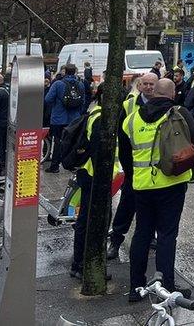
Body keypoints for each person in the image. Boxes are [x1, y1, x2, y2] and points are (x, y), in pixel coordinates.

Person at [120, 78, 194, 302]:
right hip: (172, 184)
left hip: (142, 185)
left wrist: (135, 176)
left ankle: (135, 287)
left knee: (142, 235)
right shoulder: (179, 113)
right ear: (173, 94)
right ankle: (166, 286)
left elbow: (124, 156)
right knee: (167, 235)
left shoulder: (131, 119)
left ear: (152, 93)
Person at [108, 73, 158, 260]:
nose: (148, 87)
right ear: (139, 85)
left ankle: (151, 237)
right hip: (134, 167)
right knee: (126, 206)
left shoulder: (162, 104)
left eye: (152, 84)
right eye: (145, 84)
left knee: (152, 206)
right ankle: (116, 240)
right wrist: (128, 169)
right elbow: (122, 137)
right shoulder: (129, 105)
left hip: (153, 169)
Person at [70, 89, 118, 279]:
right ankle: (82, 264)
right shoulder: (100, 118)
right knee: (91, 219)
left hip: (91, 173)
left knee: (89, 218)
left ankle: (81, 263)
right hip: (94, 174)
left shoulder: (96, 114)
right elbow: (99, 151)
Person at [43, 63, 86, 173]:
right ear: (75, 72)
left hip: (58, 119)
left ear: (65, 72)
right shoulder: (80, 84)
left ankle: (55, 166)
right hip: (74, 119)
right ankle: (70, 164)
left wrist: (55, 106)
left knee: (58, 142)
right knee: (72, 142)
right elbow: (83, 101)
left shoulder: (58, 84)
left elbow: (47, 99)